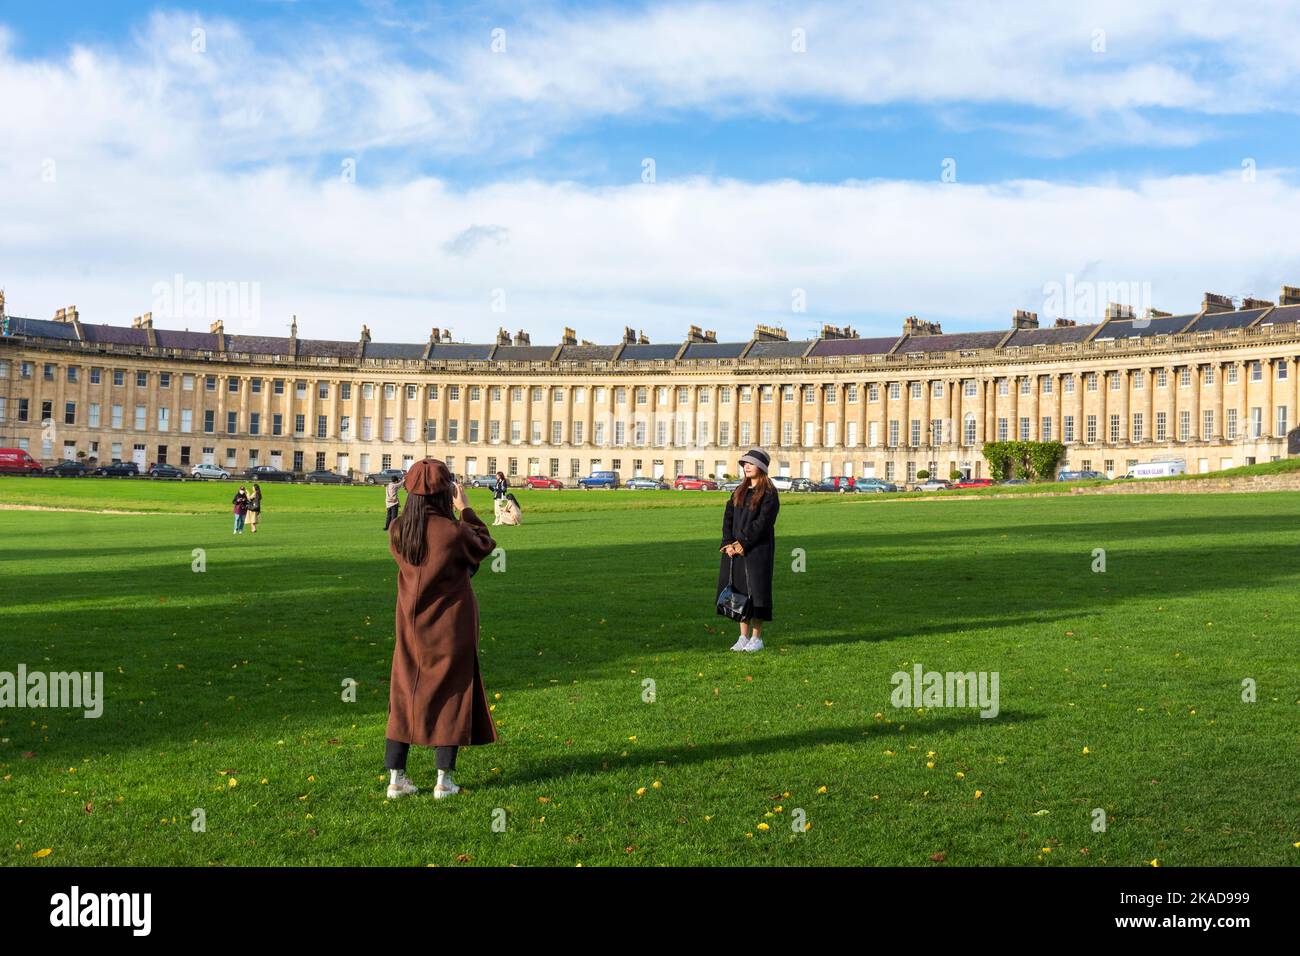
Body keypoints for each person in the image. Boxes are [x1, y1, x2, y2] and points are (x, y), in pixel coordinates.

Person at [383, 458, 497, 800]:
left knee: (403, 694)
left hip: (410, 624)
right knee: (451, 694)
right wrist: (467, 510)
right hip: (450, 626)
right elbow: (484, 544)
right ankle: (443, 781)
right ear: (445, 492)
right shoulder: (452, 532)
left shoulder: (399, 530)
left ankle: (396, 778)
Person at [718, 448, 780, 652]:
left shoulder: (769, 494)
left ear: (760, 467)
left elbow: (763, 523)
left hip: (757, 550)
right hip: (734, 551)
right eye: (744, 463)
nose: (746, 466)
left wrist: (743, 543)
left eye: (750, 463)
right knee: (738, 592)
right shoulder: (739, 491)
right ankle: (742, 637)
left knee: (756, 592)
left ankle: (756, 638)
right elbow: (728, 517)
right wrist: (728, 542)